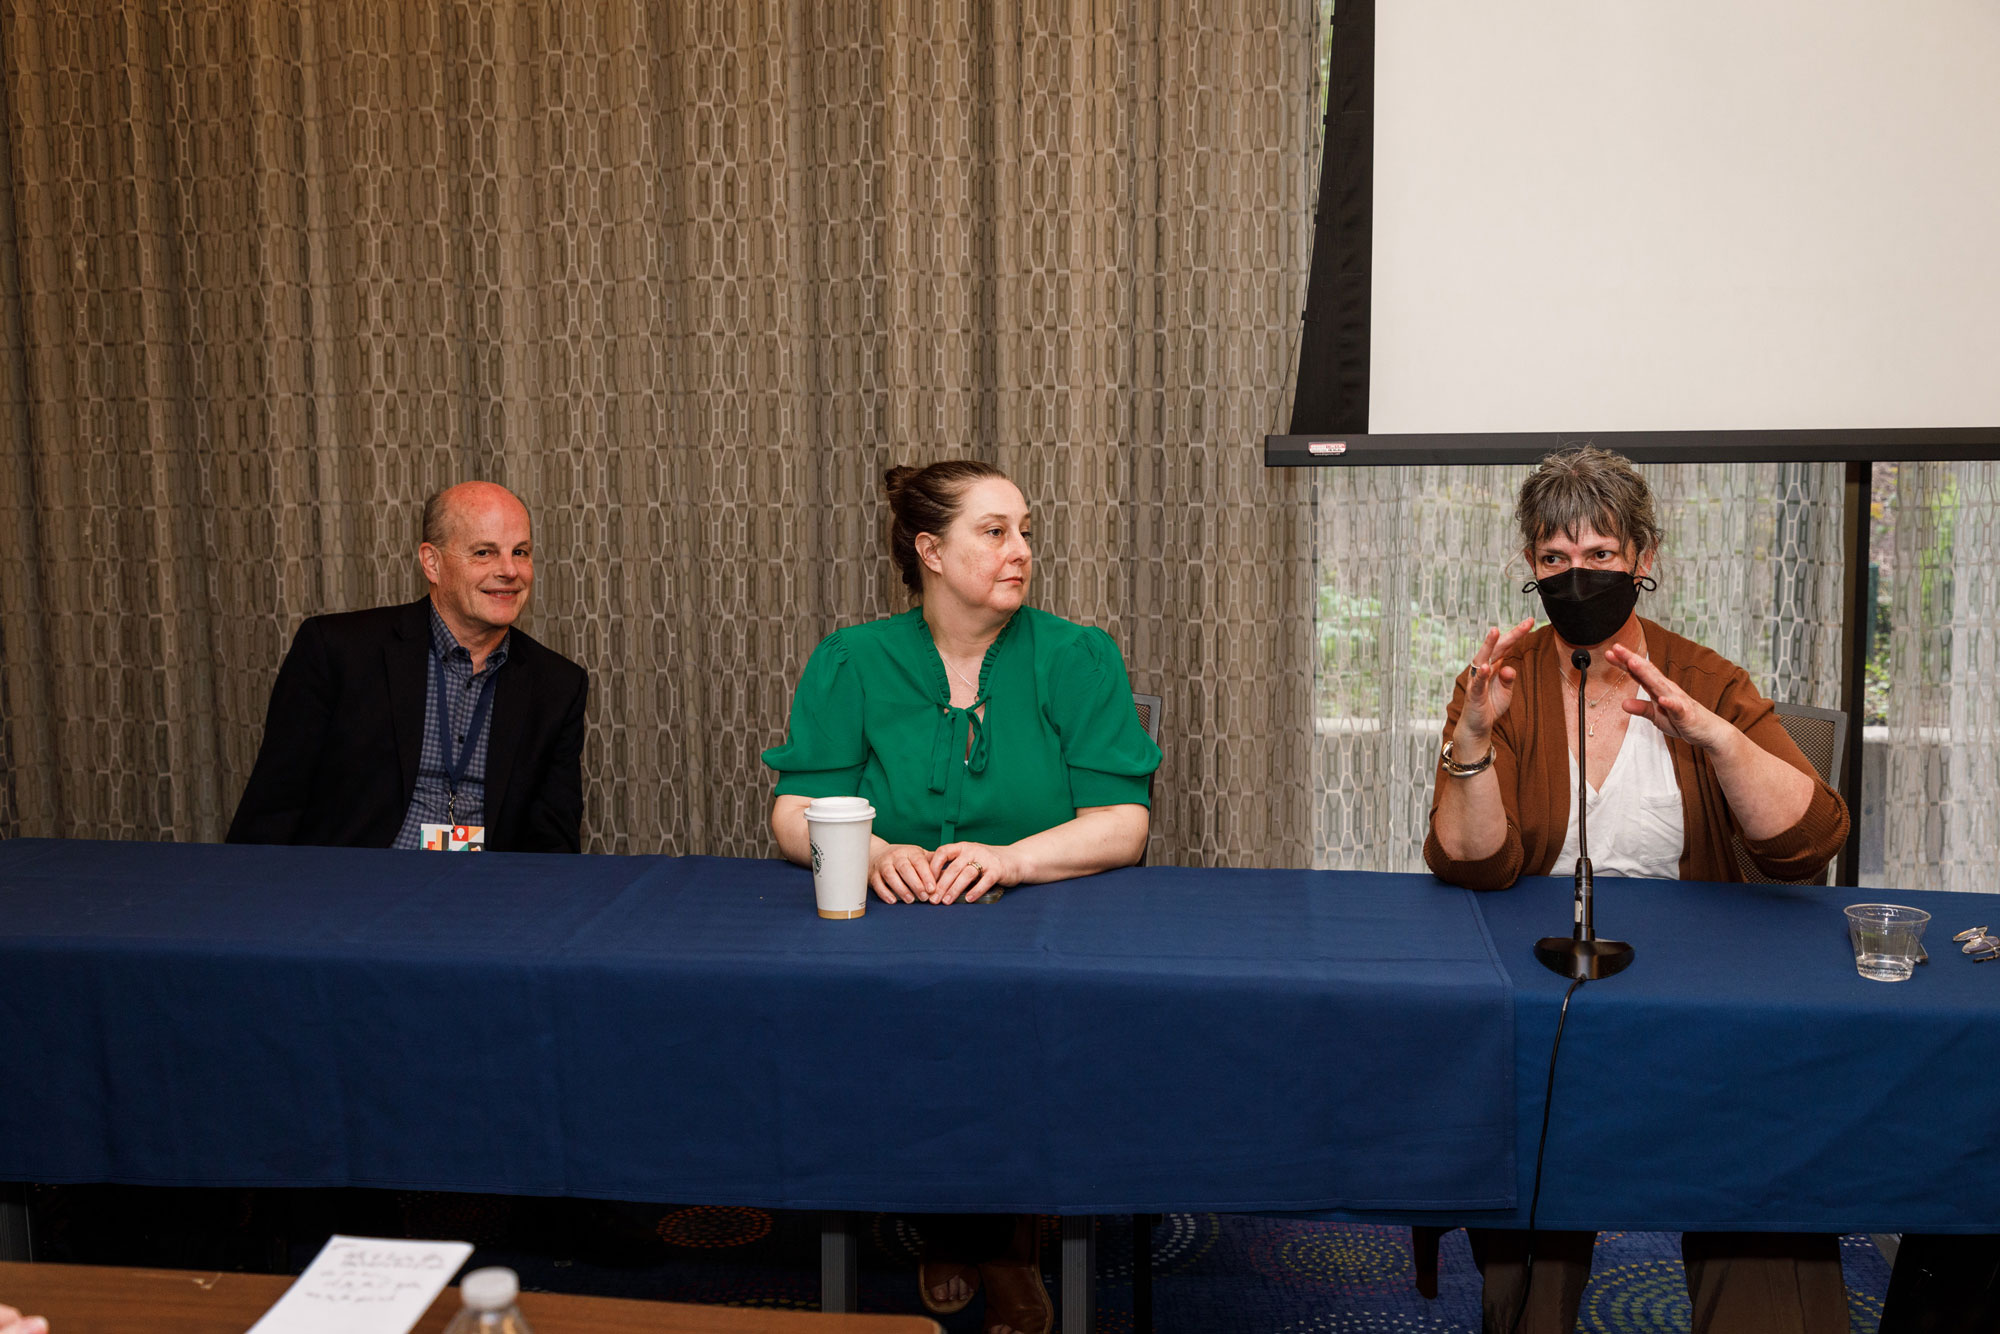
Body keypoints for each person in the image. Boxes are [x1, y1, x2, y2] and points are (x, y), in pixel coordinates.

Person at [1425, 447, 1850, 1334]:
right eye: (1554, 560)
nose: (1576, 577)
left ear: (1644, 558)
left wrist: (1716, 740)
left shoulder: (1706, 678)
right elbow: (1474, 863)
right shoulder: (1504, 682)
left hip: (1703, 991)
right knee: (1530, 1184)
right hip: (1545, 985)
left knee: (1764, 1174)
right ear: (1531, 567)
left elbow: (1806, 848)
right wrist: (1470, 739)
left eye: (1601, 556)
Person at [763, 460, 1160, 1334]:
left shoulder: (1077, 655)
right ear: (929, 551)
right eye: (995, 532)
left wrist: (1011, 860)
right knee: (896, 1020)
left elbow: (1122, 824)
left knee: (1011, 1021)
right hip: (892, 928)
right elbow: (792, 814)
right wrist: (873, 852)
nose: (1020, 550)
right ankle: (956, 1225)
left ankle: (1003, 1241)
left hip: (1043, 929)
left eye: (1025, 530)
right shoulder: (852, 660)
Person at [227, 480, 589, 851]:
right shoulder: (338, 652)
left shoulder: (558, 686)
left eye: (521, 552)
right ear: (432, 563)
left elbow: (554, 844)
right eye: (484, 553)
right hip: (357, 886)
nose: (510, 571)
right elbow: (274, 807)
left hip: (484, 892)